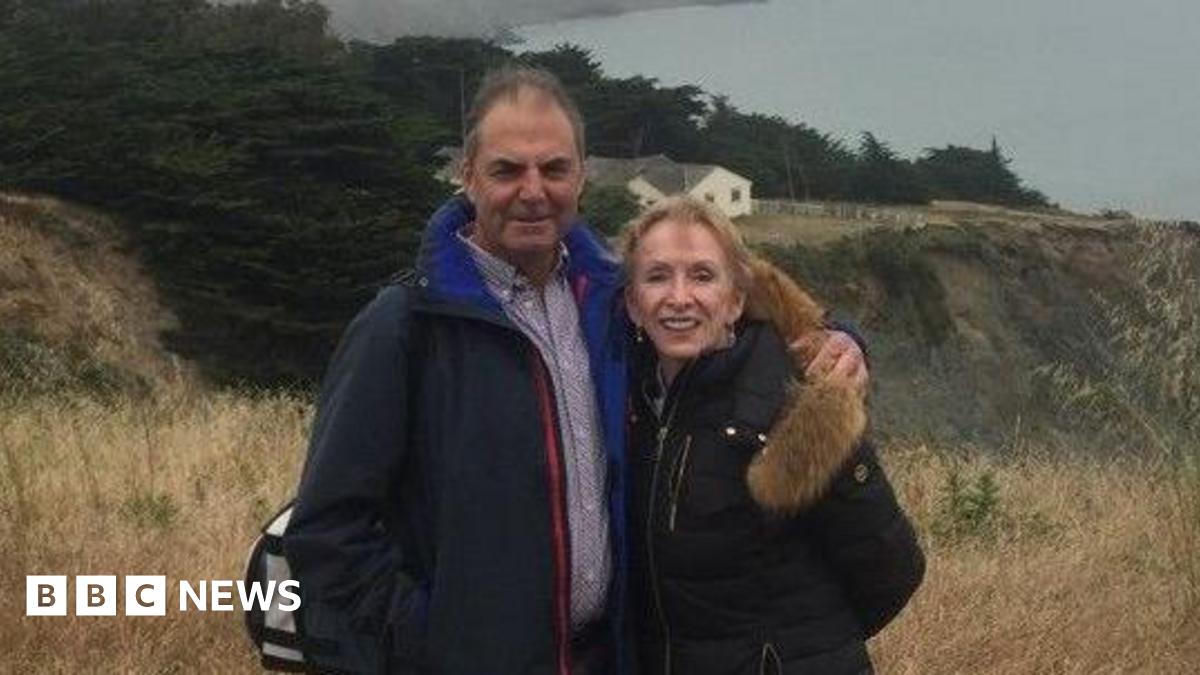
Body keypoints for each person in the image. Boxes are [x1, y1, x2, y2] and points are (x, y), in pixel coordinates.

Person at [283, 66, 869, 674]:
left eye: (554, 169)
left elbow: (734, 304)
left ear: (582, 177)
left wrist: (838, 338)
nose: (533, 190)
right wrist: (431, 643)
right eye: (507, 169)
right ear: (468, 177)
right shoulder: (404, 326)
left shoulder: (616, 301)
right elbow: (327, 532)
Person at [622, 195, 924, 674]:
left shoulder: (797, 402)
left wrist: (788, 650)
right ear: (632, 304)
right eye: (657, 276)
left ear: (737, 299)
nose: (679, 297)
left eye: (703, 276)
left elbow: (890, 570)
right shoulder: (627, 399)